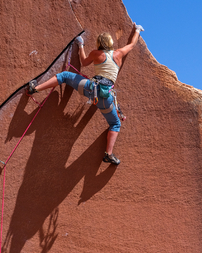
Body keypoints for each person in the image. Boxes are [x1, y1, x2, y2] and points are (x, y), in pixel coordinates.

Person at [27, 24, 144, 165]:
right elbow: (131, 45)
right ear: (111, 43)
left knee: (64, 76)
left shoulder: (96, 54)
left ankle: (36, 88)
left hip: (91, 90)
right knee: (115, 124)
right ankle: (109, 154)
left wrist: (81, 45)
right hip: (106, 99)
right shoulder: (119, 53)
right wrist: (137, 30)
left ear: (99, 43)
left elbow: (83, 62)